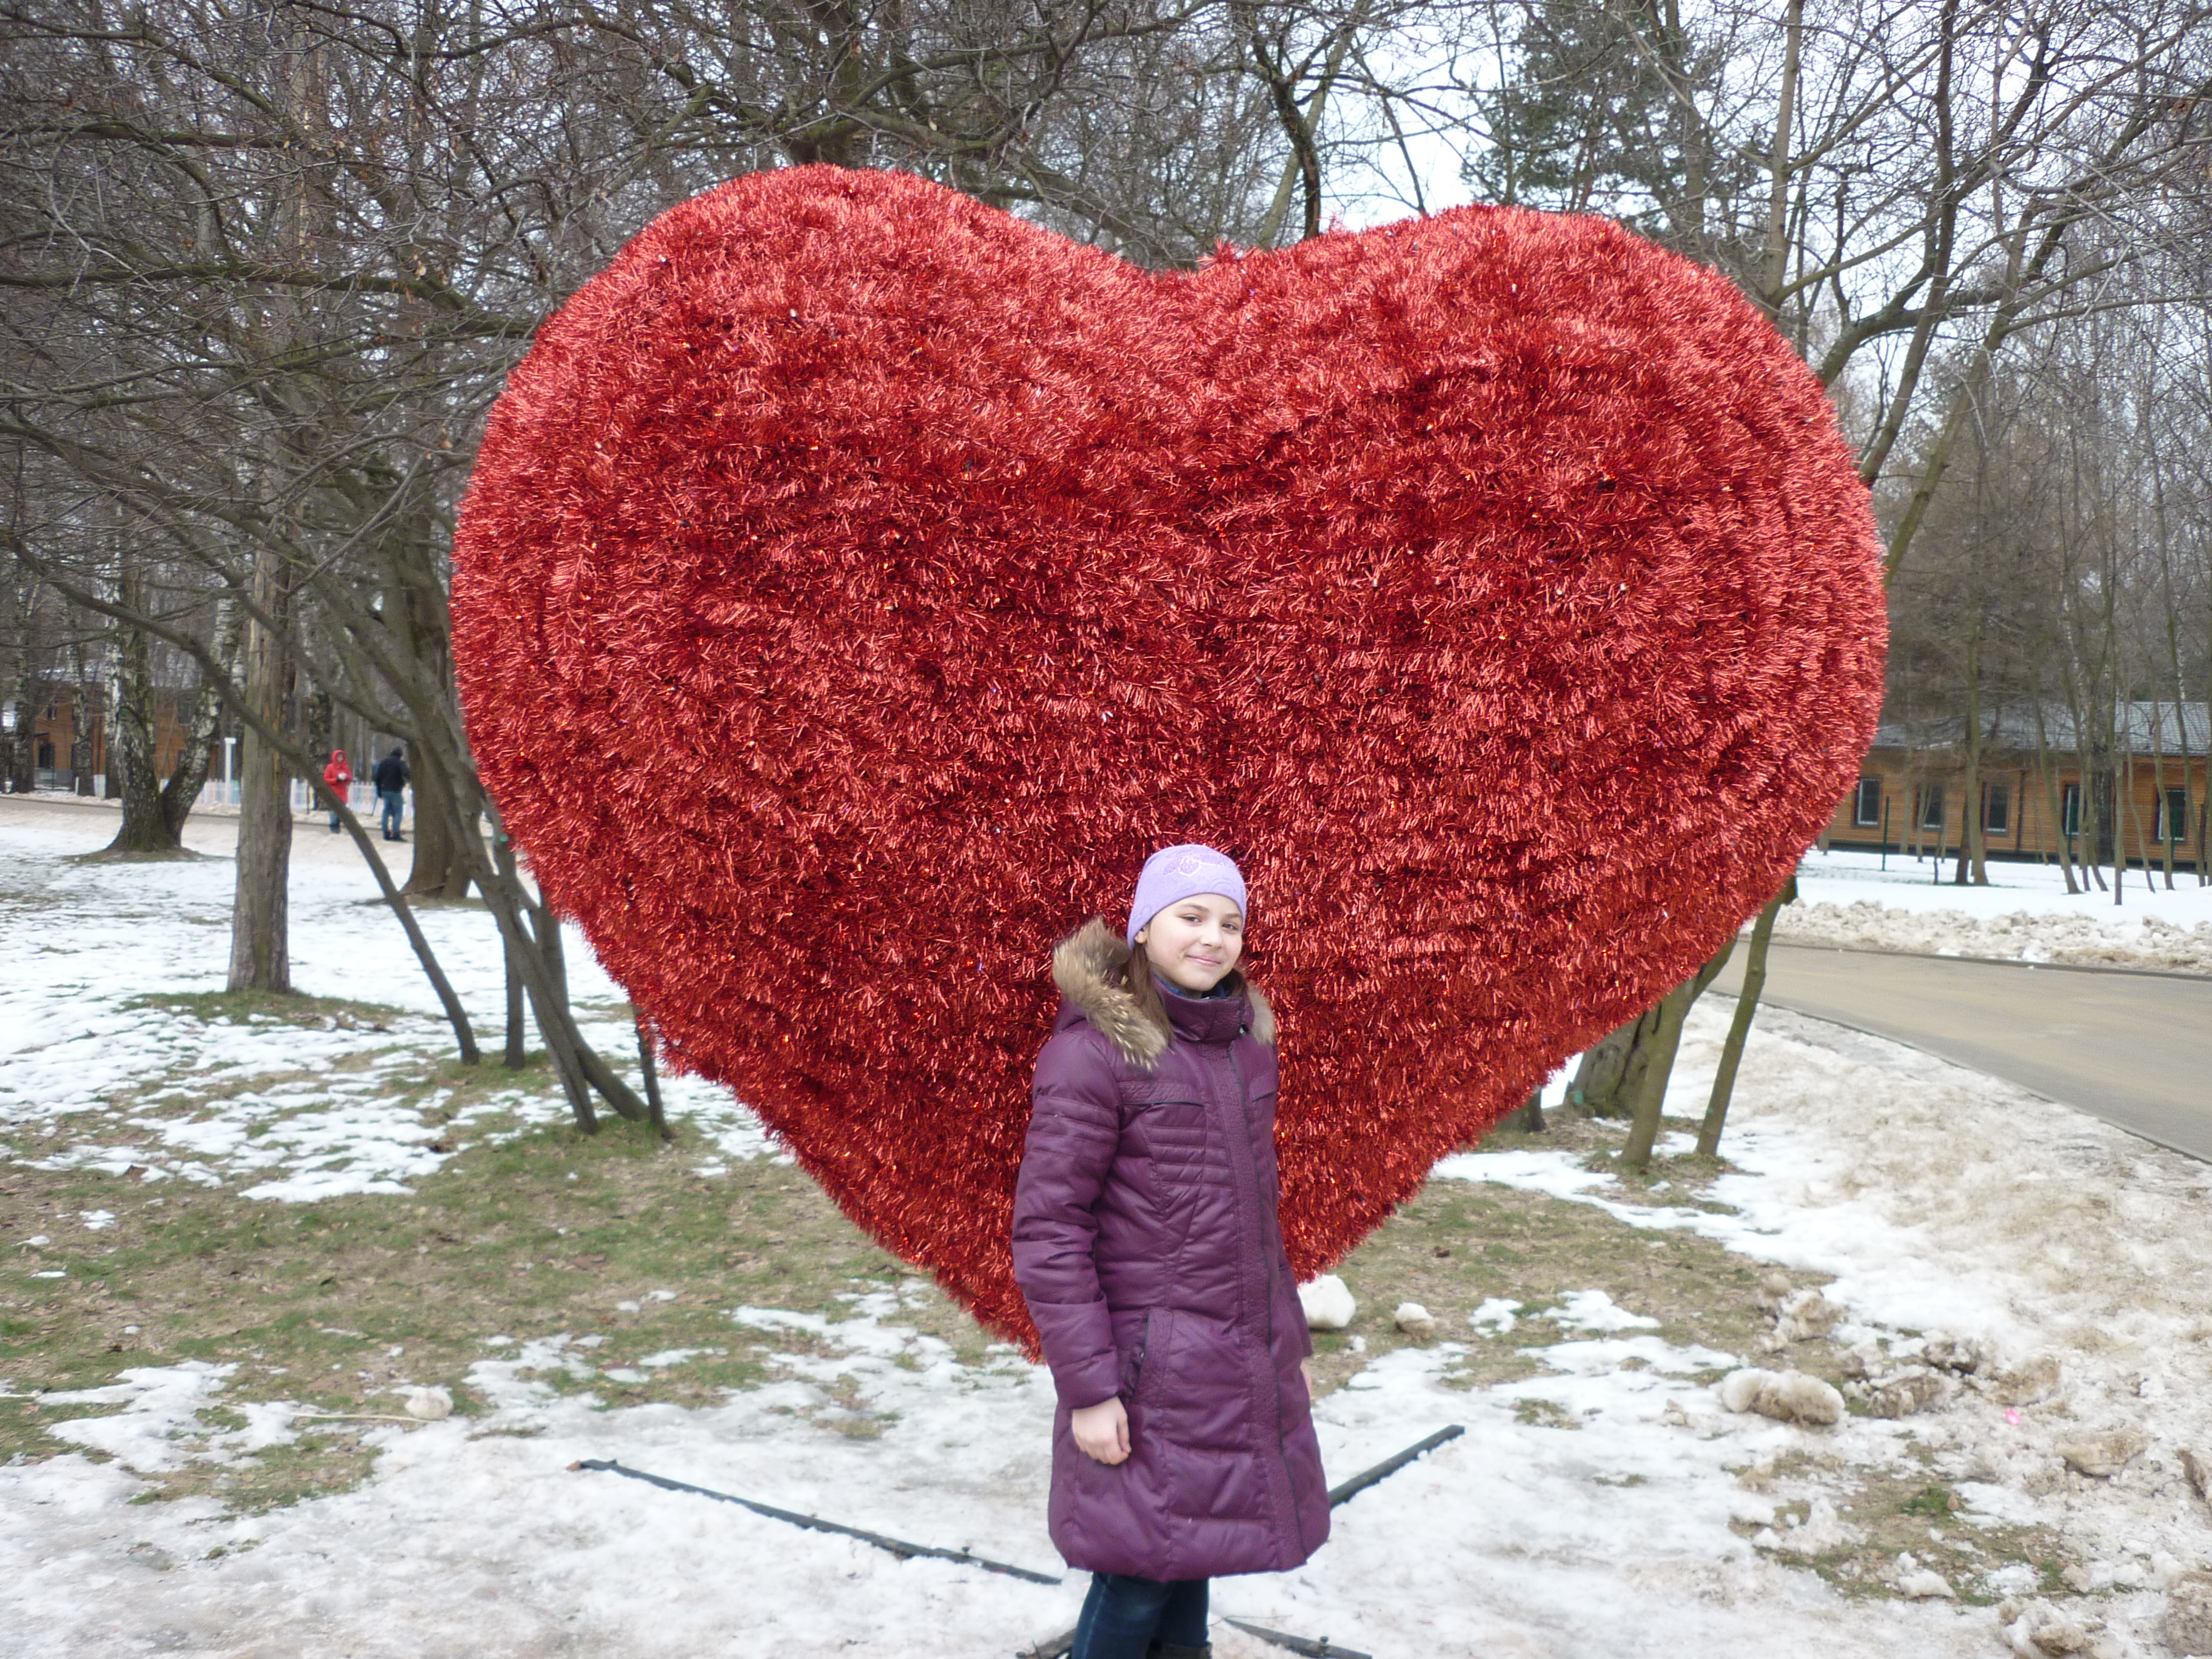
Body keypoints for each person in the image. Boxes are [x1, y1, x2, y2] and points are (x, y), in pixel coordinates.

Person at [1013, 845, 1329, 1659]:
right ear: (1144, 928)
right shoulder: (1093, 1054)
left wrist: (1284, 1347)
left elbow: (1253, 1221)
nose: (1212, 938)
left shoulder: (1246, 1045)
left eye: (1230, 923)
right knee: (1138, 1575)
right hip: (1146, 1374)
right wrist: (1090, 1390)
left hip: (1232, 1365)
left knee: (1190, 1557)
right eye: (1191, 917)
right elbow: (1050, 1230)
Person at [372, 745, 409, 841]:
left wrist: (379, 790)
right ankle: (396, 833)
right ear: (401, 755)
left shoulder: (384, 762)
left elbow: (377, 778)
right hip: (396, 790)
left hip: (385, 790)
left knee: (386, 811)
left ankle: (386, 832)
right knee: (398, 812)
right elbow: (406, 772)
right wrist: (409, 779)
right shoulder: (400, 763)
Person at [321, 748, 352, 833]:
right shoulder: (330, 767)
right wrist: (336, 780)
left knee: (341, 813)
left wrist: (345, 777)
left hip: (342, 793)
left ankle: (337, 827)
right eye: (338, 757)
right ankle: (334, 830)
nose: (340, 759)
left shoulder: (346, 767)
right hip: (333, 793)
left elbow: (350, 778)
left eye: (342, 757)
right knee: (333, 812)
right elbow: (326, 779)